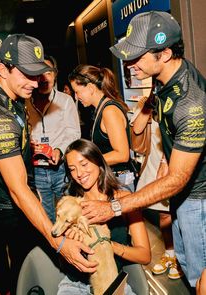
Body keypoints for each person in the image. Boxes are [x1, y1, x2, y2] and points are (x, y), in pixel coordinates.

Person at [80, 11, 206, 288]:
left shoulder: (192, 102)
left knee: (201, 279)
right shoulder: (164, 83)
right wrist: (165, 158)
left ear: (164, 54)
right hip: (184, 197)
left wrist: (113, 207)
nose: (129, 63)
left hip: (199, 199)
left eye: (137, 56)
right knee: (187, 268)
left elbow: (178, 178)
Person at [0, 34, 97, 295]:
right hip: (3, 209)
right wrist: (60, 243)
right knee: (15, 274)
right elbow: (17, 190)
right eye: (27, 74)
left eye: (37, 74)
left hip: (14, 200)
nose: (35, 82)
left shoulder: (14, 96)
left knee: (26, 265)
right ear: (2, 70)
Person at [57, 138, 151, 295]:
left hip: (112, 282)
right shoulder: (70, 203)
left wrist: (106, 245)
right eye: (72, 169)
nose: (79, 174)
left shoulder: (123, 200)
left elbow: (145, 255)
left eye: (84, 164)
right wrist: (68, 241)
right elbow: (63, 257)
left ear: (98, 162)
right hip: (77, 285)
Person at [131, 95, 183, 280]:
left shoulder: (178, 100)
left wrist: (165, 160)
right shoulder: (147, 103)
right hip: (154, 164)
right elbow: (137, 130)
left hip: (175, 162)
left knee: (179, 214)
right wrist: (149, 104)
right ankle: (170, 253)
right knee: (164, 214)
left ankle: (182, 257)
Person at [26, 55, 81, 222]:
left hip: (61, 169)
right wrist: (27, 143)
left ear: (55, 74)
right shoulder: (24, 101)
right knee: (45, 215)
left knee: (68, 213)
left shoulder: (65, 101)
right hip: (36, 171)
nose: (44, 78)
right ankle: (52, 248)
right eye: (40, 73)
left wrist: (59, 150)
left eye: (48, 72)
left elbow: (73, 132)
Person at [68, 65, 136, 192]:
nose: (76, 97)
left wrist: (88, 162)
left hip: (120, 181)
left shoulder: (109, 110)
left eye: (77, 92)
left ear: (91, 88)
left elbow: (122, 154)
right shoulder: (100, 109)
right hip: (112, 178)